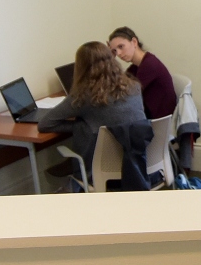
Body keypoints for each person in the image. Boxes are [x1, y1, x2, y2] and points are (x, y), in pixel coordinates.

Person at [39, 41, 147, 174]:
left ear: (81, 67)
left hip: (104, 170)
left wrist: (81, 126)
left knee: (86, 126)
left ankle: (74, 167)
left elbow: (45, 124)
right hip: (141, 162)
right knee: (89, 125)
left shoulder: (84, 96)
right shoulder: (133, 86)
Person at [108, 27, 177, 119]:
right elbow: (117, 85)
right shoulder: (135, 67)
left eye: (121, 47)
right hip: (148, 117)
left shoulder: (149, 65)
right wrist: (109, 58)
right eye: (114, 51)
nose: (119, 53)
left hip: (158, 121)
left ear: (134, 42)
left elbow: (126, 95)